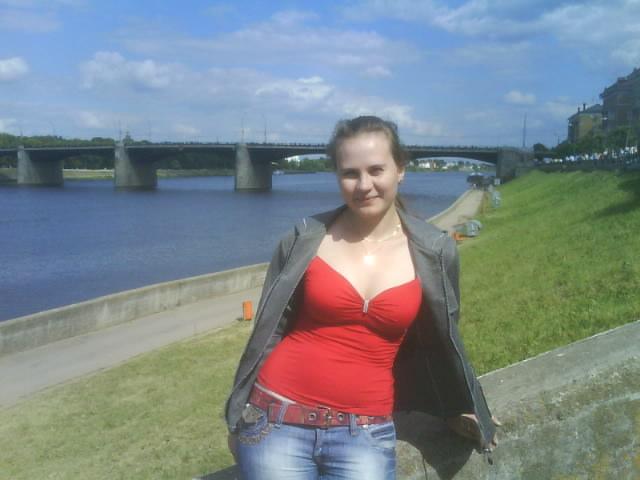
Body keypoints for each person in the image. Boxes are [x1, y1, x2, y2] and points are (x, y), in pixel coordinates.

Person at [225, 116, 498, 479]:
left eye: (376, 170)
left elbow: (441, 340)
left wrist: (458, 406)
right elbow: (269, 329)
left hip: (366, 432)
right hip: (276, 418)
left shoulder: (436, 251)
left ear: (400, 169)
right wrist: (240, 413)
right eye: (350, 173)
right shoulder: (305, 238)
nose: (364, 185)